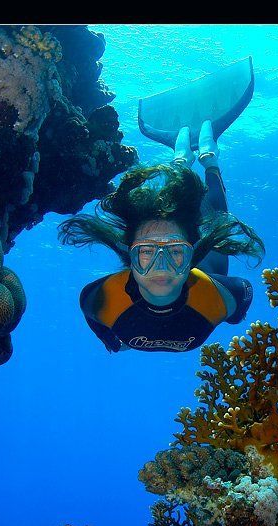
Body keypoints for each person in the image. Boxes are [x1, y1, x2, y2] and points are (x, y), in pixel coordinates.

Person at [58, 120, 264, 353]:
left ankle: (191, 162)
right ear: (130, 257)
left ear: (191, 257)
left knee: (206, 215)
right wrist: (111, 341)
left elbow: (243, 297)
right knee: (217, 218)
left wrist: (114, 341)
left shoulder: (99, 300)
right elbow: (242, 297)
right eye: (146, 252)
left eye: (176, 251)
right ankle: (208, 159)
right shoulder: (225, 298)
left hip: (208, 270)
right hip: (212, 266)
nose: (161, 266)